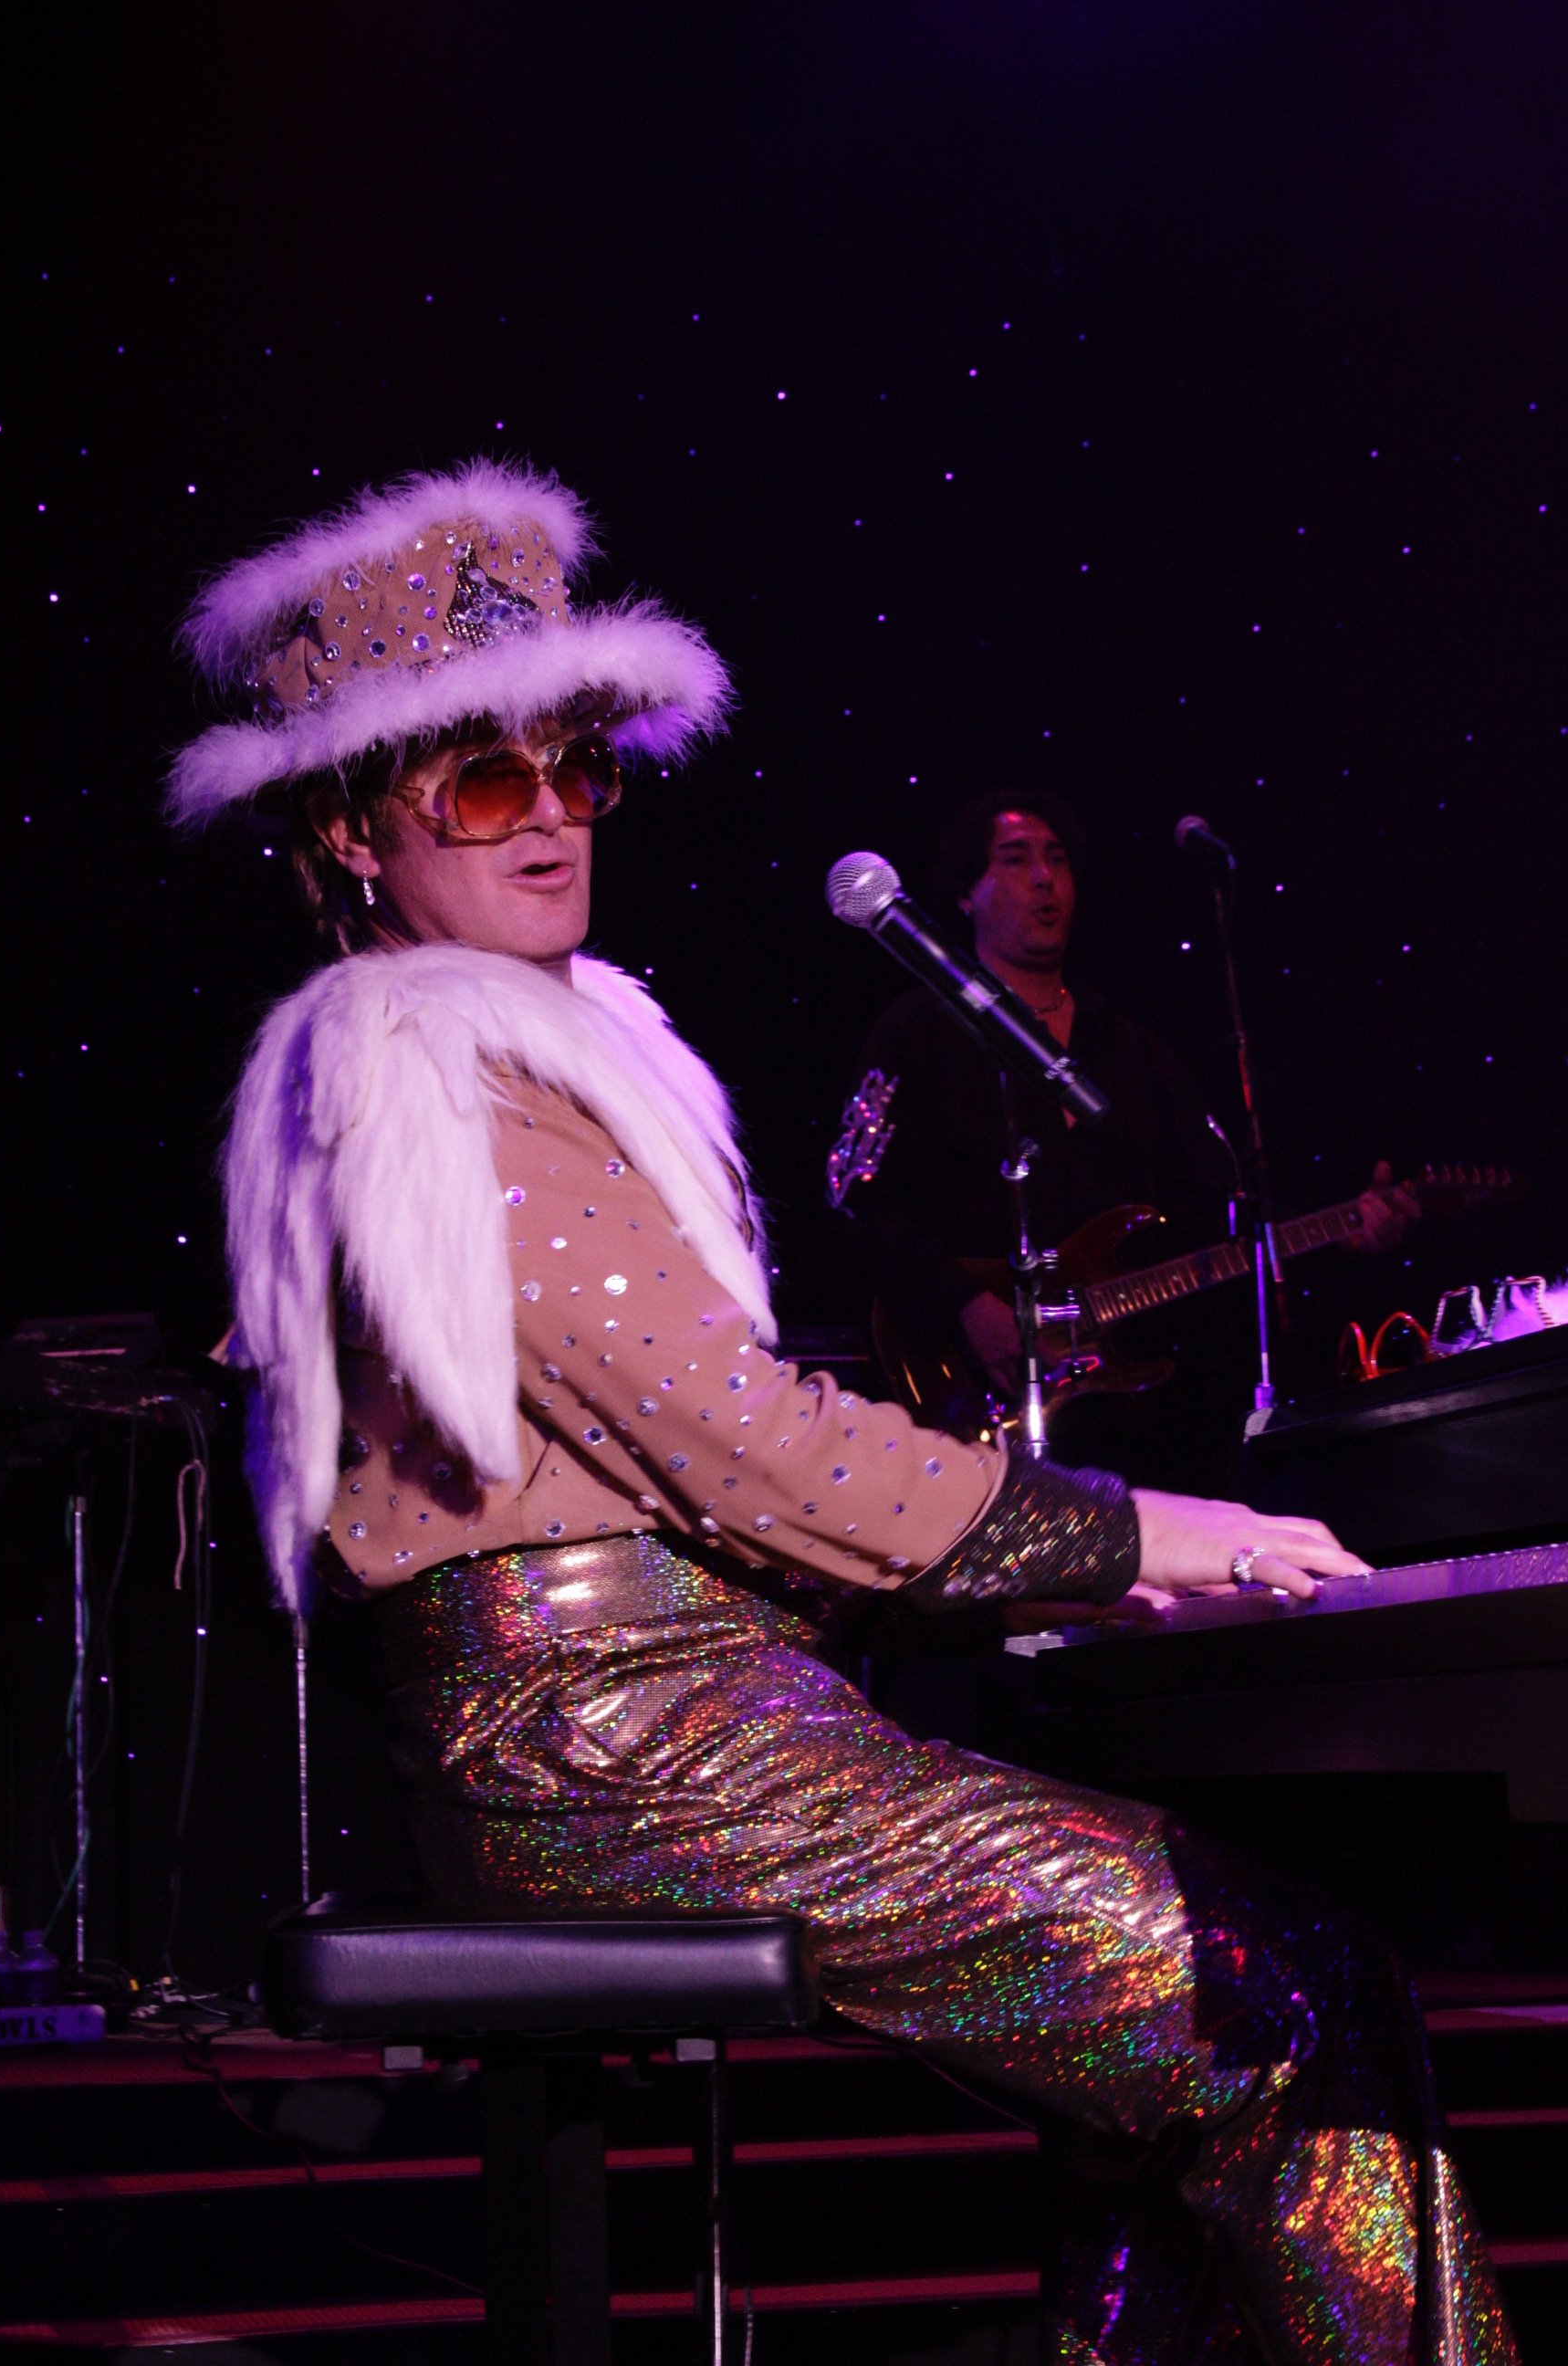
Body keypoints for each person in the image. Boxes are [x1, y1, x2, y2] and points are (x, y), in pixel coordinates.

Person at [171, 462, 1514, 2363]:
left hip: (671, 1718)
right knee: (1285, 1989)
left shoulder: (530, 1050)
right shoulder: (418, 1069)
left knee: (1197, 2038)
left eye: (578, 768)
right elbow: (737, 1434)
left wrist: (1057, 1566)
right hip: (619, 1751)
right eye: (481, 782)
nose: (549, 813)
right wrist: (1131, 1530)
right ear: (352, 832)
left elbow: (704, 1448)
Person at [832, 790, 1418, 1492]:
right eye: (1015, 860)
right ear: (965, 893)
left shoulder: (1132, 1049)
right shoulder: (916, 1030)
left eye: (1057, 860)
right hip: (967, 1403)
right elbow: (857, 1196)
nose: (1044, 878)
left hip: (1134, 1427)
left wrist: (1336, 1230)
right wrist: (963, 1303)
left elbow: (1214, 1212)